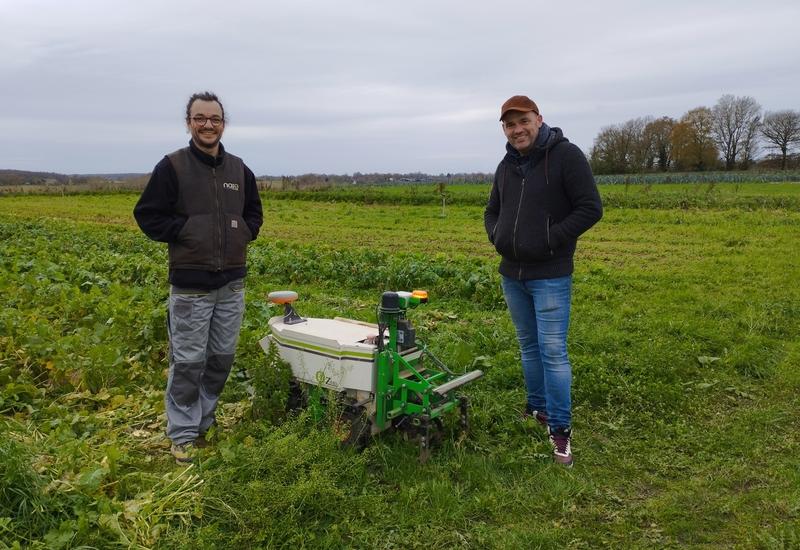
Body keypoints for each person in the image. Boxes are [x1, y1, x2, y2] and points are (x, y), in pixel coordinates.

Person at [134, 91, 263, 464]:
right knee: (189, 363)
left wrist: (243, 232)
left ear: (224, 124)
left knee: (221, 359)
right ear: (189, 123)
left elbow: (254, 213)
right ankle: (183, 435)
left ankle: (204, 423)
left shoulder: (239, 170)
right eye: (200, 118)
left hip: (231, 284)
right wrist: (187, 231)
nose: (208, 124)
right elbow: (148, 214)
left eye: (215, 119)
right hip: (191, 287)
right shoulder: (172, 167)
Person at [484, 95, 602, 467]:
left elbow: (590, 208)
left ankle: (560, 429)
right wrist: (497, 235)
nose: (517, 129)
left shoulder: (566, 156)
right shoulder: (506, 165)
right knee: (528, 347)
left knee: (553, 352)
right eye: (509, 124)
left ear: (539, 119)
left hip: (550, 275)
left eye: (523, 121)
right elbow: (492, 210)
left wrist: (551, 239)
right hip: (512, 274)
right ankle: (537, 409)